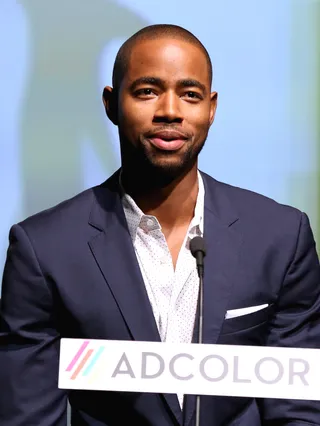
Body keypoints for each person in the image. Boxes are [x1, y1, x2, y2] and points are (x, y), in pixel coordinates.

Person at [0, 24, 320, 426]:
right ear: (111, 104)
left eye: (190, 95)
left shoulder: (280, 236)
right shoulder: (44, 249)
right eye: (147, 91)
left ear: (211, 108)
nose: (170, 110)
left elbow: (298, 411)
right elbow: (27, 414)